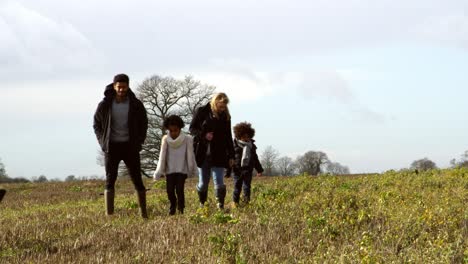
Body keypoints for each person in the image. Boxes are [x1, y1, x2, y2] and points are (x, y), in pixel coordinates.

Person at [93, 74, 149, 218]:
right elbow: (96, 124)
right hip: (112, 147)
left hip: (130, 147)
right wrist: (102, 141)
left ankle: (143, 213)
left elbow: (144, 123)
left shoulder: (136, 104)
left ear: (128, 86)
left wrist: (140, 141)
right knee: (110, 179)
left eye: (124, 87)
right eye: (119, 87)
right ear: (114, 86)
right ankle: (109, 214)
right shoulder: (104, 104)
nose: (121, 90)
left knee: (137, 178)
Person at [190, 93, 235, 209]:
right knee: (203, 183)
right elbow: (192, 129)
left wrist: (231, 155)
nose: (222, 109)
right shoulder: (201, 111)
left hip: (219, 153)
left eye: (224, 107)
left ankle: (220, 205)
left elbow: (228, 136)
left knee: (219, 181)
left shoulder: (226, 116)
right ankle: (202, 204)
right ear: (215, 102)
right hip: (202, 152)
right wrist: (204, 135)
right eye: (220, 106)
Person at [153, 115, 198, 215]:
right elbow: (162, 156)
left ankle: (181, 209)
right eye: (171, 130)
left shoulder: (187, 139)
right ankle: (173, 205)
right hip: (169, 170)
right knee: (169, 191)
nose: (173, 133)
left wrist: (192, 169)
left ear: (180, 128)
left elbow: (190, 155)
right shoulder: (165, 140)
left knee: (179, 190)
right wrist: (159, 171)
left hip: (182, 170)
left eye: (175, 130)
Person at [231, 122, 263, 206]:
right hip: (237, 170)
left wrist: (259, 170)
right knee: (237, 187)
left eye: (248, 137)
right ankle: (235, 203)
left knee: (247, 187)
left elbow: (255, 159)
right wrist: (228, 170)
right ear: (239, 136)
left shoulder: (252, 146)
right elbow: (229, 159)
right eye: (244, 136)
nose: (246, 138)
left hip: (248, 170)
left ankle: (246, 203)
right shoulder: (234, 145)